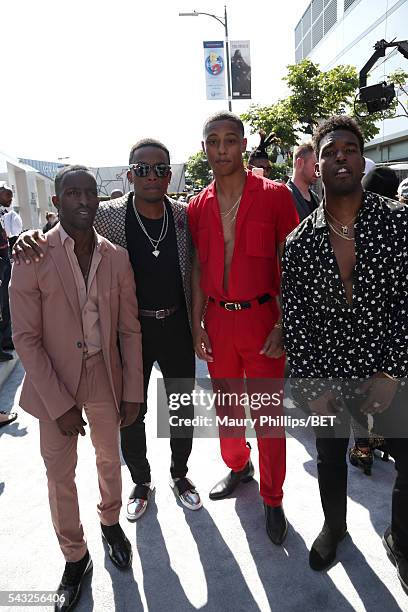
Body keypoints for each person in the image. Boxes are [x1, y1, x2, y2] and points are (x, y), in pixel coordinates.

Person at [12, 139, 201, 520]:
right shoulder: (109, 213)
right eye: (143, 169)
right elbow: (66, 224)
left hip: (176, 324)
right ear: (130, 175)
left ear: (169, 175)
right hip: (129, 331)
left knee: (181, 408)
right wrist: (27, 236)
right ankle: (141, 480)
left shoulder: (184, 216)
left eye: (161, 169)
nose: (152, 175)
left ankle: (180, 475)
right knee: (132, 410)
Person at [282, 116, 408, 594]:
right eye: (330, 149)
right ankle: (335, 528)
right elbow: (298, 322)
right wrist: (312, 391)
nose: (340, 156)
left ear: (362, 158)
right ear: (315, 163)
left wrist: (392, 372)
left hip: (390, 373)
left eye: (350, 148)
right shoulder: (299, 243)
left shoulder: (398, 224)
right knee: (331, 461)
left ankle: (401, 539)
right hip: (328, 381)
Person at [10, 165, 143, 612]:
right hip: (54, 382)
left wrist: (134, 391)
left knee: (109, 459)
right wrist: (58, 402)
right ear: (57, 201)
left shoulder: (117, 257)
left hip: (105, 376)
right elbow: (25, 338)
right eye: (73, 194)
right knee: (59, 475)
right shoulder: (31, 255)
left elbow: (128, 330)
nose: (84, 201)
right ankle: (75, 557)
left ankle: (110, 524)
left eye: (91, 194)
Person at [188, 111, 298, 545]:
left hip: (263, 319)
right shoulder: (197, 204)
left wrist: (286, 322)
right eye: (212, 141)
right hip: (218, 319)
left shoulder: (274, 196)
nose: (221, 149)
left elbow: (294, 266)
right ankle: (239, 466)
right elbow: (196, 265)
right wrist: (198, 321)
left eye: (229, 140)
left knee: (269, 417)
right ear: (203, 149)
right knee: (229, 412)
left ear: (243, 144)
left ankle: (273, 498)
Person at [0, 182, 19, 360]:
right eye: (8, 195)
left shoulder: (3, 213)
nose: (10, 199)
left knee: (5, 303)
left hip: (4, 261)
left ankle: (5, 340)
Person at [286, 143, 319, 221]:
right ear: (300, 163)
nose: (318, 170)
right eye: (315, 165)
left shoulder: (315, 198)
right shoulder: (285, 196)